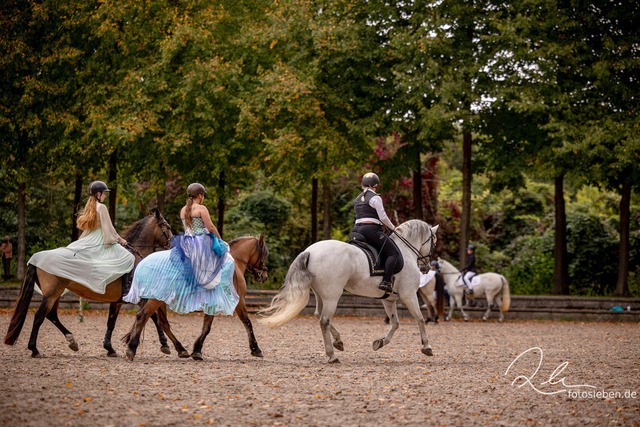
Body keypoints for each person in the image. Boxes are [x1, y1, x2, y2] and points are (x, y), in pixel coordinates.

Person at [125, 183, 238, 316]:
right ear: (200, 195)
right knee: (226, 259)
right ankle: (215, 297)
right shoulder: (201, 209)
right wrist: (220, 240)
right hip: (200, 241)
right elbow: (211, 227)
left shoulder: (183, 210)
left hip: (187, 242)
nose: (203, 197)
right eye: (203, 195)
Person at [27, 181, 135, 294]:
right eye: (104, 193)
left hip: (90, 238)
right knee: (128, 258)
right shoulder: (102, 207)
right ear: (98, 194)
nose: (105, 195)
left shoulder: (89, 208)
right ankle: (126, 289)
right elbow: (108, 227)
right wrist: (120, 240)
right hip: (100, 239)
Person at [352, 172, 402, 293]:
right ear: (375, 185)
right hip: (371, 230)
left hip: (356, 230)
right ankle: (386, 282)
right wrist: (393, 228)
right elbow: (383, 217)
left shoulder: (357, 199)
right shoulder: (375, 198)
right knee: (393, 253)